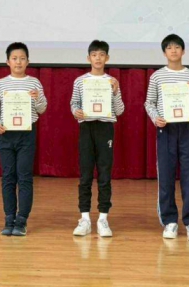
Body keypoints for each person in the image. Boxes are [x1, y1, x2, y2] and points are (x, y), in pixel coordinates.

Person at [144, 34, 189, 240]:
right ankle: (169, 221)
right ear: (164, 52)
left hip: (187, 128)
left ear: (183, 51)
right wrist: (156, 118)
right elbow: (149, 102)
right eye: (169, 48)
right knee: (166, 176)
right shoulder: (157, 76)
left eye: (177, 47)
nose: (173, 51)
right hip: (166, 129)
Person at [0, 42, 47, 237]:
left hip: (26, 134)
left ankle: (21, 220)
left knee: (24, 176)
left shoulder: (34, 83)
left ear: (28, 61)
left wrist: (37, 98)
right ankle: (9, 218)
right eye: (14, 58)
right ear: (8, 62)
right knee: (8, 176)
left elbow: (42, 108)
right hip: (6, 134)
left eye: (22, 58)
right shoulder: (0, 84)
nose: (18, 62)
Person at [71, 40, 125, 238]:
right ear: (89, 58)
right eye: (94, 55)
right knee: (85, 174)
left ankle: (103, 218)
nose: (98, 58)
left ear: (107, 58)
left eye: (102, 54)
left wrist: (116, 92)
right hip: (86, 127)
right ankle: (84, 218)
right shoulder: (80, 81)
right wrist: (76, 111)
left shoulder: (112, 82)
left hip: (105, 128)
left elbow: (120, 110)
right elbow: (74, 104)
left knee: (104, 174)